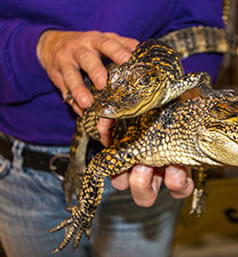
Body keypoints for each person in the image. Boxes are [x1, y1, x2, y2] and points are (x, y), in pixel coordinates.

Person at [0, 1, 223, 257]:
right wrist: (36, 45)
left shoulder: (170, 86)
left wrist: (184, 107)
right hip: (21, 169)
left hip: (154, 160)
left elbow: (199, 22)